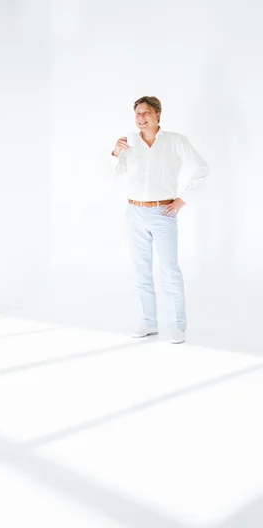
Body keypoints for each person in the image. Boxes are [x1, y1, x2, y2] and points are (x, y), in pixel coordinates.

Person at [111, 95, 209, 344]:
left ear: (158, 115)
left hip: (163, 212)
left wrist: (182, 199)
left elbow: (201, 168)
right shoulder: (129, 142)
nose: (140, 118)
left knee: (169, 270)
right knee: (141, 269)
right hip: (134, 212)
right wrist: (115, 153)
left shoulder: (175, 141)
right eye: (137, 114)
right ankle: (148, 321)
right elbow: (117, 177)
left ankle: (178, 325)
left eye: (145, 113)